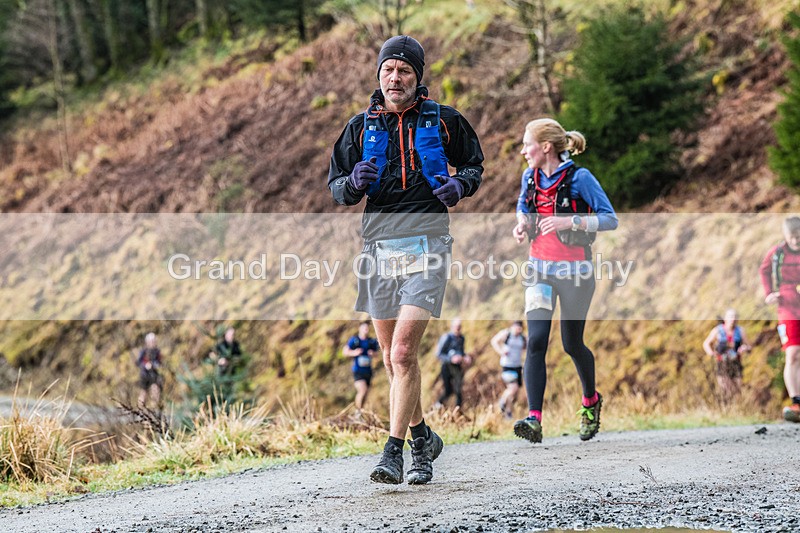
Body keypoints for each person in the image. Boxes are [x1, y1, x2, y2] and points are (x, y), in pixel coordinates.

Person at [328, 35, 483, 485]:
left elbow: (475, 165)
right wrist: (353, 183)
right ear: (379, 76)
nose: (395, 78)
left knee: (402, 352)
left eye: (405, 71)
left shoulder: (445, 121)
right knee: (394, 361)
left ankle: (393, 454)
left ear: (418, 78)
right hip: (377, 250)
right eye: (388, 71)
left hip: (427, 248)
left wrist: (461, 185)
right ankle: (422, 439)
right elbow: (336, 187)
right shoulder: (359, 128)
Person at [510, 118, 618, 444]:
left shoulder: (579, 178)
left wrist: (566, 220)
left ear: (545, 147)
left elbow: (609, 219)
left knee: (571, 343)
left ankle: (590, 402)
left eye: (527, 144)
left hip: (575, 273)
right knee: (537, 340)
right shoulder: (529, 177)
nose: (523, 150)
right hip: (539, 271)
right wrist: (521, 225)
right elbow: (523, 209)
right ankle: (534, 419)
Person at [759, 216, 800, 423]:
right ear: (785, 236)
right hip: (787, 308)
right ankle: (796, 402)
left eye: (799, 238)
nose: (795, 242)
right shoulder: (777, 254)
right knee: (792, 353)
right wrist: (769, 293)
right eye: (792, 238)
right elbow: (764, 271)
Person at [702, 309, 751, 401]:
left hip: (736, 364)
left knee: (737, 390)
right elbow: (706, 343)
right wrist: (711, 353)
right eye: (730, 316)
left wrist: (745, 348)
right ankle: (726, 410)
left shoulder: (740, 331)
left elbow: (749, 346)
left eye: (734, 317)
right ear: (725, 318)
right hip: (722, 363)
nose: (732, 319)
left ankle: (737, 410)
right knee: (726, 389)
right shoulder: (717, 331)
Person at [490, 320, 526, 419]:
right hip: (507, 365)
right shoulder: (506, 334)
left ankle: (508, 413)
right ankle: (501, 402)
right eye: (517, 328)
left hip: (518, 366)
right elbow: (494, 341)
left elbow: (527, 347)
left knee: (515, 392)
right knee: (512, 388)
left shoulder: (522, 337)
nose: (518, 331)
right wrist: (501, 351)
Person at [434, 318, 472, 409]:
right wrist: (451, 359)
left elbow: (461, 352)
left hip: (457, 367)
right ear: (452, 327)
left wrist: (465, 357)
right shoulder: (446, 337)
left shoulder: (462, 338)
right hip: (447, 367)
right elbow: (438, 354)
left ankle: (458, 411)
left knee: (458, 389)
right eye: (456, 326)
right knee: (448, 390)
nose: (458, 329)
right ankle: (438, 405)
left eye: (459, 327)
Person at [343, 321, 381, 412]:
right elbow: (345, 352)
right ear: (359, 329)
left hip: (368, 372)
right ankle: (357, 413)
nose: (366, 330)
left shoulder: (371, 341)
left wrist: (373, 354)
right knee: (362, 390)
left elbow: (379, 353)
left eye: (367, 328)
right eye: (364, 328)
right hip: (358, 371)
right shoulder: (355, 340)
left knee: (366, 393)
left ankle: (361, 411)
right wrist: (354, 352)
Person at [137, 332, 163, 409]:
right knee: (143, 393)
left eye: (154, 341)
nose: (153, 343)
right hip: (145, 374)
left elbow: (159, 362)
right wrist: (146, 365)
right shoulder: (143, 351)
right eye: (152, 341)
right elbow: (139, 362)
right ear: (147, 342)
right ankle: (140, 410)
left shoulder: (157, 351)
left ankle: (153, 409)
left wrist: (155, 365)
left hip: (154, 374)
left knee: (155, 391)